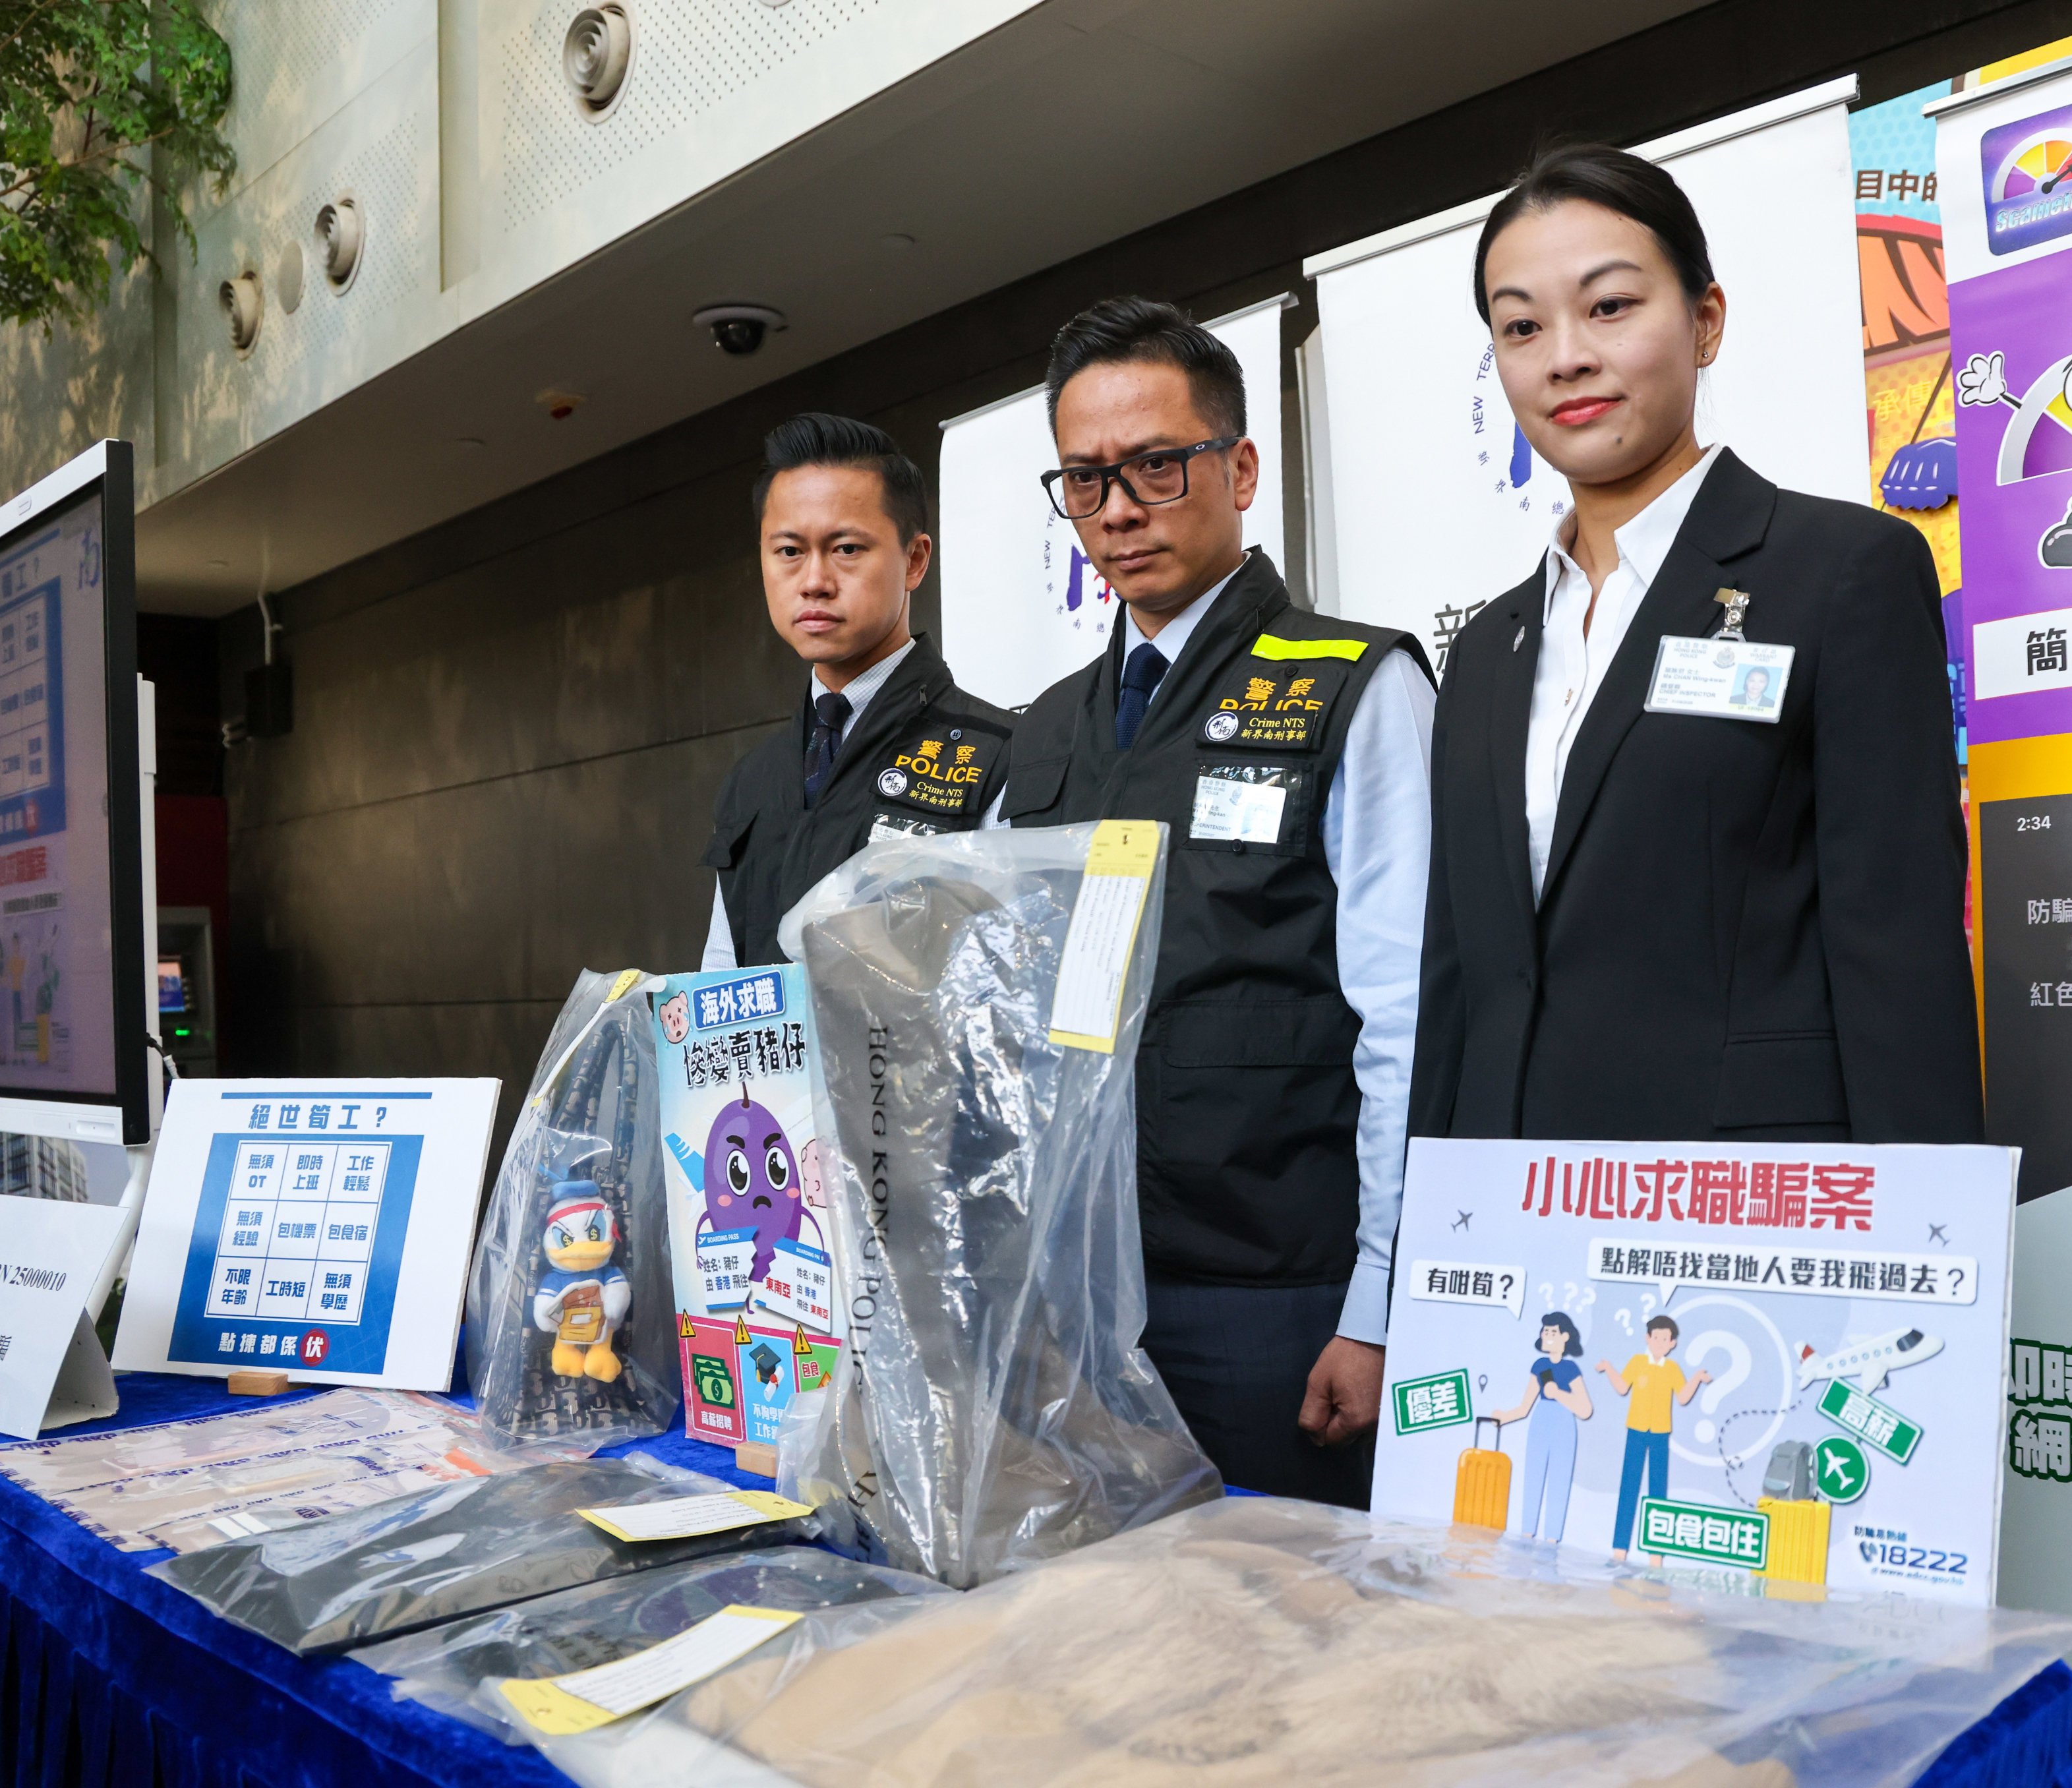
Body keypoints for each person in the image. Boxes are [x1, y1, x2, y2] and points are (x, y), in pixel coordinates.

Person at [1410, 144, 1983, 1148]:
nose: (1564, 357)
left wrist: (1928, 1258)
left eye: (1609, 307)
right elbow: (1458, 983)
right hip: (1512, 1222)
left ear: (1703, 321)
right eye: (1520, 326)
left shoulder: (1840, 572)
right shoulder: (1485, 652)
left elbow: (1897, 953)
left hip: (1743, 1218)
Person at [986, 297, 1436, 1506]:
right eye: (1086, 480)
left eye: (1156, 465)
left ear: (1239, 468)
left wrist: (1380, 1306)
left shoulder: (1356, 686)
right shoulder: (1040, 737)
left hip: (1280, 1306)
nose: (1120, 508)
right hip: (1079, 1308)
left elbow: (1410, 1023)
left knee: (1298, 1664)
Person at [701, 414, 1015, 968]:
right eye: (789, 551)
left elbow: (1006, 981)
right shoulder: (753, 780)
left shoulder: (1000, 754)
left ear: (914, 560)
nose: (814, 580)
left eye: (846, 548)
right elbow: (721, 978)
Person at [1597, 1314, 1708, 1561]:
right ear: (1648, 1338)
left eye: (1665, 1338)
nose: (1659, 1342)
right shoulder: (1637, 1362)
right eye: (1655, 1337)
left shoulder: (1672, 1368)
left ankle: (1656, 1555)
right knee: (1629, 1488)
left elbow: (1682, 1397)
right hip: (1636, 1431)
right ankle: (1619, 1551)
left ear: (1673, 1343)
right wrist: (1608, 1369)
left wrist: (1697, 1379)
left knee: (1658, 1492)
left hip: (1660, 1433)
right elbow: (1622, 1387)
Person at [1490, 1311, 1591, 1543]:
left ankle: (1552, 1540)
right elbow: (1525, 1407)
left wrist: (1559, 1394)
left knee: (1559, 1481)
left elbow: (1585, 1409)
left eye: (1552, 1332)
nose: (1547, 1336)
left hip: (1564, 1426)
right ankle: (1527, 1534)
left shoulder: (1570, 1370)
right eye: (1545, 1332)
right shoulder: (1540, 1366)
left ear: (1565, 1337)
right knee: (1533, 1478)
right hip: (1540, 1422)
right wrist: (1503, 1418)